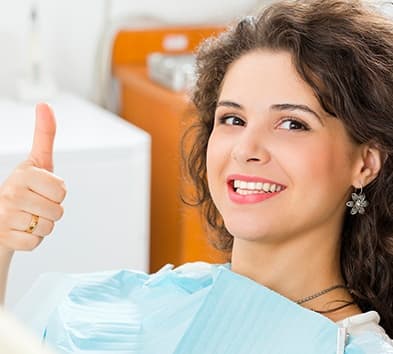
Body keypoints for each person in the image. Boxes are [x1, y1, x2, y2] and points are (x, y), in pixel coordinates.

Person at [1, 0, 393, 353]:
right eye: (232, 119)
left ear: (365, 163)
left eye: (291, 123)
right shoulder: (155, 296)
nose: (245, 148)